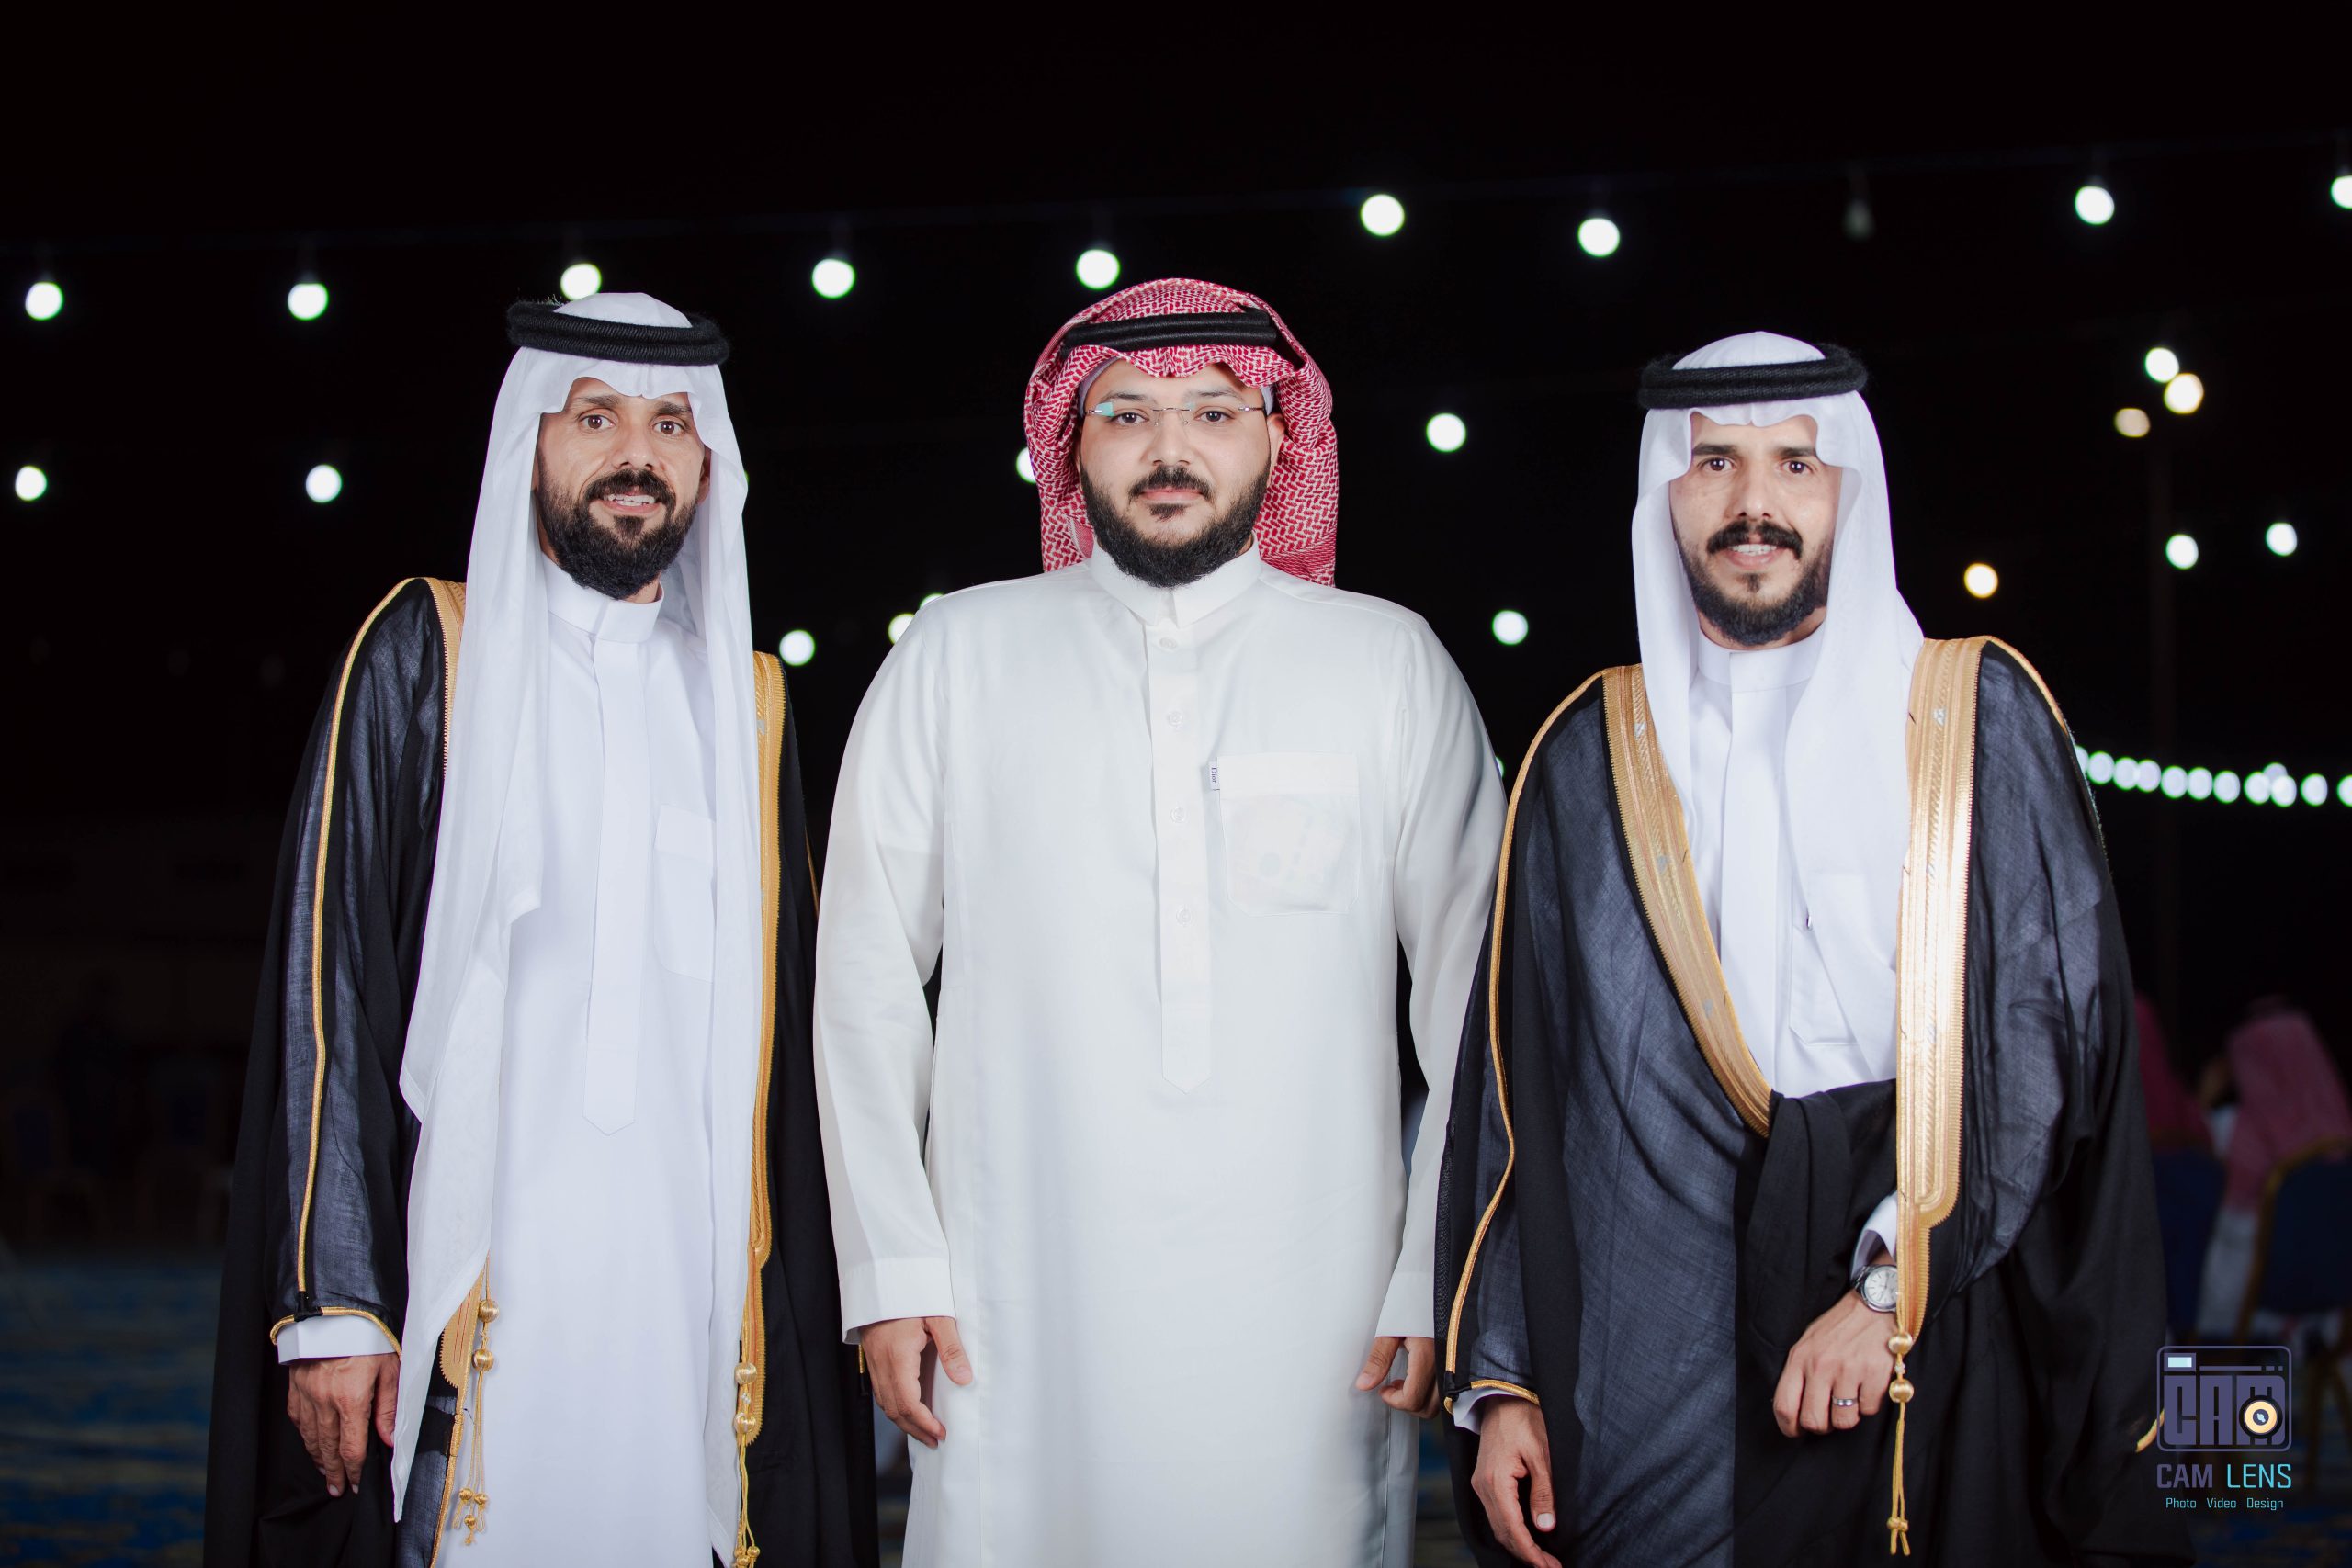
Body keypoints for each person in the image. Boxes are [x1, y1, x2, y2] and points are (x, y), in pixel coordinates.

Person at [1437, 333, 2188, 1566]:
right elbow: (1528, 1093)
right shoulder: (1590, 752)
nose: (1754, 503)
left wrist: (1890, 1285)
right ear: (1663, 492)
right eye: (1714, 464)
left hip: (1943, 1287)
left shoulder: (1973, 714)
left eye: (1795, 462)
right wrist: (1506, 1381)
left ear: (1850, 487)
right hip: (1662, 1319)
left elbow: (2042, 1047)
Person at [813, 278, 1504, 1567]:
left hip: (1319, 1307)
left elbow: (1476, 1004)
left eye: (1212, 412)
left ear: (1278, 440)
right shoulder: (957, 653)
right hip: (1013, 1304)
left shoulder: (1386, 663)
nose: (1168, 447)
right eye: (1126, 413)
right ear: (1069, 445)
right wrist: (891, 1267)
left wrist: (1436, 1269)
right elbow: (861, 979)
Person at [205, 294, 875, 1568]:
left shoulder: (748, 708)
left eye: (670, 424)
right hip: (471, 1296)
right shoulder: (432, 650)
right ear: (529, 448)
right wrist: (335, 1301)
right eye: (595, 418)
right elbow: (327, 980)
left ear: (707, 464)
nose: (637, 453)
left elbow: (798, 1053)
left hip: (683, 1304)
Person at [2195, 1001, 2351, 1336]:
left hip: (2247, 1304)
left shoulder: (2230, 1131)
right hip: (2331, 1308)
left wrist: (2204, 1097)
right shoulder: (2340, 1136)